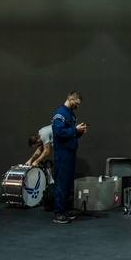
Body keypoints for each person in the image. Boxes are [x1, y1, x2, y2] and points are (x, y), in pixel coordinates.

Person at [52, 90, 87, 224]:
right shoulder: (60, 114)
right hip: (62, 153)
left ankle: (64, 209)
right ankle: (58, 212)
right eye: (77, 104)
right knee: (61, 181)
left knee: (67, 182)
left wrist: (79, 132)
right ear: (71, 99)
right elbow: (59, 132)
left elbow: (70, 134)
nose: (78, 106)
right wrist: (75, 130)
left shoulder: (71, 115)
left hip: (70, 151)